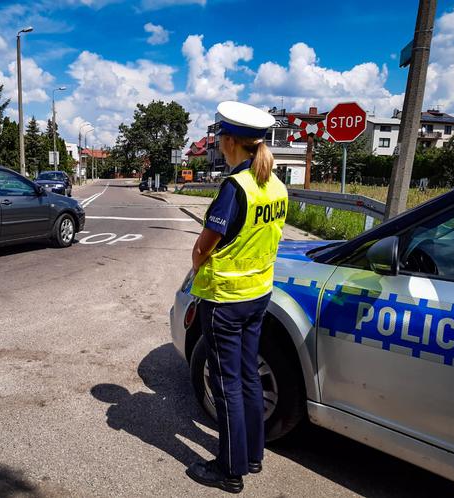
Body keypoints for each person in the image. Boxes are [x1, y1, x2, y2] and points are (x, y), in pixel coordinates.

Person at [185, 101, 288, 494]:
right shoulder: (275, 185)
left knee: (226, 383)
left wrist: (198, 271)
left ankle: (229, 470)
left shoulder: (235, 187)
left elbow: (203, 247)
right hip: (259, 294)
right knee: (247, 376)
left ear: (229, 141)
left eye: (219, 138)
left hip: (226, 300)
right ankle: (253, 455)